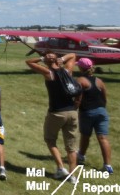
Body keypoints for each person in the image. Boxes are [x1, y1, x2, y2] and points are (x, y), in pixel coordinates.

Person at [25, 52, 79, 182]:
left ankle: (61, 168)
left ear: (46, 62)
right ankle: (73, 176)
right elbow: (73, 55)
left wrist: (43, 58)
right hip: (72, 112)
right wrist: (62, 58)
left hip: (56, 112)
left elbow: (29, 62)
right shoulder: (67, 71)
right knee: (71, 147)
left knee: (50, 140)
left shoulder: (48, 73)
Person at [75, 58, 113, 173]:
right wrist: (102, 109)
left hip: (87, 112)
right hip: (102, 111)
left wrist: (74, 109)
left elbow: (78, 99)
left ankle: (81, 155)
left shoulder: (80, 80)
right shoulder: (99, 81)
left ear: (81, 68)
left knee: (85, 136)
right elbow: (104, 98)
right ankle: (108, 166)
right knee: (103, 138)